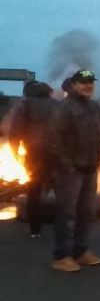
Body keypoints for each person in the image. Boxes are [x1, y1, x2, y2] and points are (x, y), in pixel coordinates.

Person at [50, 70, 100, 272]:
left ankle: (80, 252)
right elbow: (54, 140)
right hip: (69, 171)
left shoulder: (94, 107)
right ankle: (61, 256)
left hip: (90, 168)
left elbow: (97, 136)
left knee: (86, 212)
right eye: (83, 82)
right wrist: (67, 165)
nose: (87, 85)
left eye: (90, 81)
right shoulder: (64, 108)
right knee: (67, 214)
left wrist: (98, 160)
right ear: (73, 85)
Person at [9, 81, 58, 239]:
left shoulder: (26, 105)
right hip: (58, 152)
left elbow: (15, 131)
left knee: (34, 190)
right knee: (61, 188)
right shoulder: (57, 104)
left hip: (35, 152)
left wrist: (15, 153)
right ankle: (64, 225)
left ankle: (35, 229)